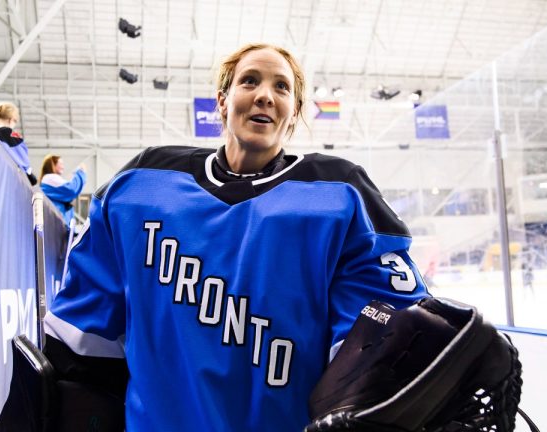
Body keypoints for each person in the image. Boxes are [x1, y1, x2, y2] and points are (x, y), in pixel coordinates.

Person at [42, 43, 429, 431]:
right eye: (250, 81)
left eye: (281, 87)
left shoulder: (342, 195)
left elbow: (381, 339)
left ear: (293, 112)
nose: (264, 95)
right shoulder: (140, 186)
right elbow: (82, 341)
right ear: (223, 101)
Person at [0, 102, 37, 185]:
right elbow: (23, 162)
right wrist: (29, 174)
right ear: (11, 120)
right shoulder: (11, 135)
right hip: (6, 182)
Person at [39, 154, 86, 226]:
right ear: (52, 165)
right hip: (56, 223)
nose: (62, 166)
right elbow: (71, 189)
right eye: (60, 163)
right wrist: (80, 172)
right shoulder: (49, 178)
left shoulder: (49, 179)